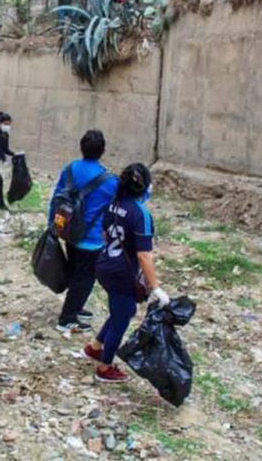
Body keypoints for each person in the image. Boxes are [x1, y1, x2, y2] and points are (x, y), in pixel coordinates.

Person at [84, 163, 170, 383]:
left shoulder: (113, 205)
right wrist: (156, 288)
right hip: (122, 273)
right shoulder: (140, 213)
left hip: (104, 265)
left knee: (123, 309)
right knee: (122, 317)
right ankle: (104, 367)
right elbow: (144, 255)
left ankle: (96, 346)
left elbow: (104, 234)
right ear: (144, 187)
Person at [48, 130, 119, 334]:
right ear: (102, 151)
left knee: (75, 272)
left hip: (69, 232)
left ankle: (76, 306)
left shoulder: (70, 169)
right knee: (84, 278)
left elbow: (57, 198)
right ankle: (67, 318)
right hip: (92, 239)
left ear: (81, 147)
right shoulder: (110, 181)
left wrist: (52, 224)